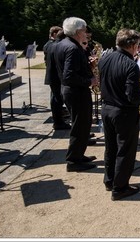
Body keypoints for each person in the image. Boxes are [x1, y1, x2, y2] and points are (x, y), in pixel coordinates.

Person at [98, 28, 140, 201]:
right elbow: (132, 96)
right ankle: (120, 188)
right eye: (138, 45)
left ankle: (109, 180)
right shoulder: (131, 65)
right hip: (124, 112)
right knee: (125, 150)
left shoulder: (104, 58)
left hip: (106, 108)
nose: (138, 48)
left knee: (110, 147)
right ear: (132, 45)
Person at [54, 17, 98, 172]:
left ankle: (78, 155)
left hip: (71, 91)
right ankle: (73, 161)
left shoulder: (63, 44)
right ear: (78, 32)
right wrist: (90, 81)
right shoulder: (72, 48)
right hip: (76, 92)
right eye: (85, 30)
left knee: (82, 125)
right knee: (80, 126)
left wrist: (88, 65)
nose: (86, 33)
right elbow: (69, 76)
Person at [44, 28, 70, 130]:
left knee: (57, 99)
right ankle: (58, 122)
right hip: (56, 76)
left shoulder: (53, 45)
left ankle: (58, 121)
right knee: (57, 99)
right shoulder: (55, 46)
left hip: (54, 76)